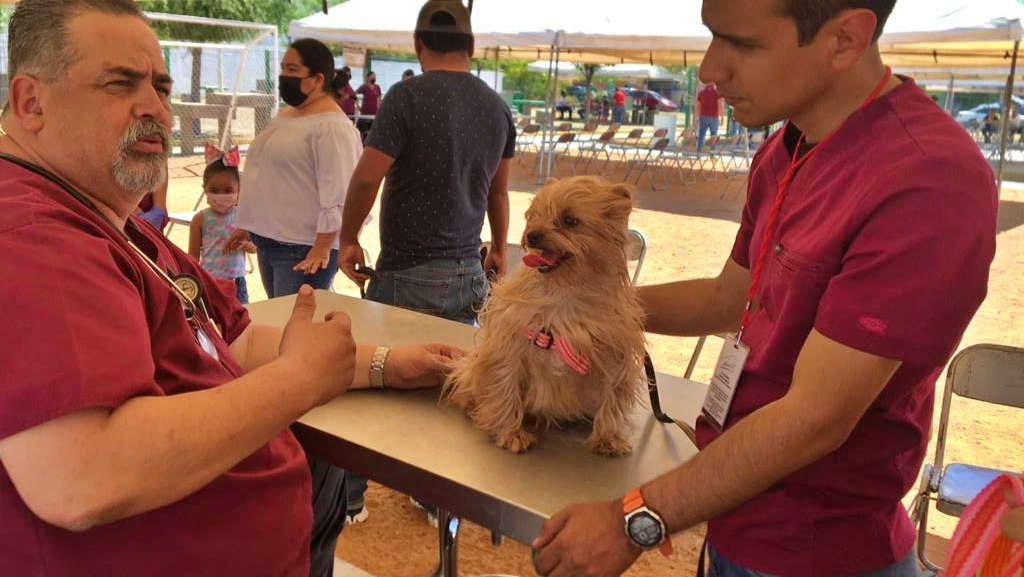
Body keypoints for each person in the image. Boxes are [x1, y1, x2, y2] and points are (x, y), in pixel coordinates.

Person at [531, 1, 998, 576]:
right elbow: (729, 300)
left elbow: (816, 419)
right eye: (711, 38)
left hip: (817, 551)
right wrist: (567, 308)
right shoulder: (788, 147)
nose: (708, 69)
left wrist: (635, 519)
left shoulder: (927, 179)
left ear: (845, 38)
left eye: (741, 44)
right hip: (733, 516)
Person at [0, 2, 459, 576]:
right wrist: (298, 382)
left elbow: (230, 344)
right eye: (120, 84)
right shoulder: (31, 233)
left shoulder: (105, 219)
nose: (156, 109)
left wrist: (389, 362)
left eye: (161, 87)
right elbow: (80, 477)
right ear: (30, 102)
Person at [337, 0, 516, 526]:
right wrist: (499, 249)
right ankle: (439, 499)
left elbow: (368, 178)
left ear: (418, 44)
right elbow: (499, 193)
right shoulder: (496, 106)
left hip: (406, 270)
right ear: (472, 48)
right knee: (451, 387)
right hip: (468, 270)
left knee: (370, 380)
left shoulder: (405, 97)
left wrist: (348, 240)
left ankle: (351, 500)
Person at [229, 39, 362, 299]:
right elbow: (273, 174)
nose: (283, 76)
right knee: (279, 320)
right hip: (269, 240)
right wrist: (249, 223)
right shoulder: (287, 115)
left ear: (317, 79)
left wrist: (322, 247)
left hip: (302, 248)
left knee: (293, 325)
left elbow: (338, 193)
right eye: (283, 68)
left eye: (292, 69)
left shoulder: (332, 127)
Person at [188, 144, 254, 304]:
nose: (221, 195)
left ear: (239, 189)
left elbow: (255, 249)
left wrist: (244, 244)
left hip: (237, 281)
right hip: (209, 282)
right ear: (205, 189)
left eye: (228, 190)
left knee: (241, 321)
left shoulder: (243, 217)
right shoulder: (200, 219)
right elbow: (192, 257)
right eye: (214, 190)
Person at [355, 70, 381, 139]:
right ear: (368, 78)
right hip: (365, 113)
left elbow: (379, 97)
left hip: (374, 113)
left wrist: (379, 104)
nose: (374, 78)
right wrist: (358, 106)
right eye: (372, 77)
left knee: (373, 132)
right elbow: (354, 94)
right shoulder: (364, 87)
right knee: (361, 131)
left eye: (375, 77)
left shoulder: (377, 87)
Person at [697, 81, 722, 150]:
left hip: (703, 116)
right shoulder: (717, 93)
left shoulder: (701, 93)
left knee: (701, 134)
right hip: (714, 116)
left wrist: (697, 116)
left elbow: (698, 106)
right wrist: (721, 117)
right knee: (714, 135)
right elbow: (720, 105)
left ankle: (699, 150)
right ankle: (712, 152)